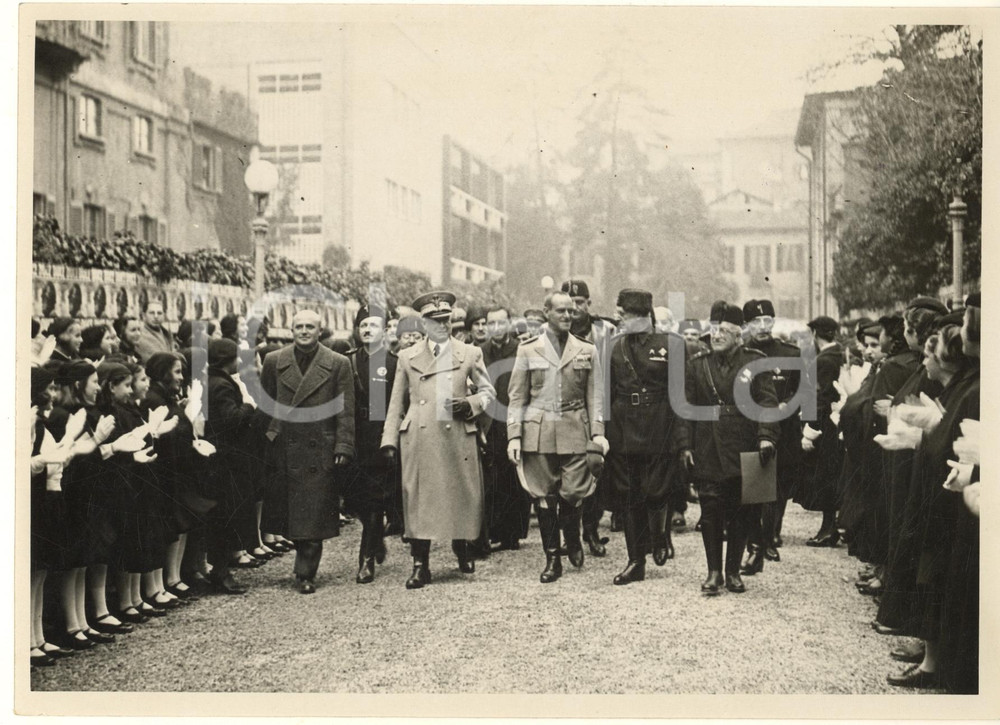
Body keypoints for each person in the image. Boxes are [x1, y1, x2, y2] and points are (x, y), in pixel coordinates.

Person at [380, 291, 496, 589]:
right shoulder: (407, 357)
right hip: (420, 435)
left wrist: (470, 404)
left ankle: (462, 546)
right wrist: (389, 440)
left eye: (445, 319)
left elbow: (489, 393)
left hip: (456, 432)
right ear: (424, 323)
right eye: (434, 320)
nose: (441, 325)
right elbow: (396, 403)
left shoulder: (469, 352)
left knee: (460, 493)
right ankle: (421, 563)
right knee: (419, 499)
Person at [675, 302, 779, 595]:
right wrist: (685, 445)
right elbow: (686, 409)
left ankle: (733, 571)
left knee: (742, 511)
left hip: (745, 444)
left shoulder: (755, 362)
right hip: (708, 444)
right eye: (713, 329)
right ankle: (713, 572)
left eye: (723, 330)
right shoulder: (698, 364)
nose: (716, 335)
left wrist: (766, 436)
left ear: (738, 334)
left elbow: (768, 402)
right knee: (710, 509)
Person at [507, 289, 607, 583]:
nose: (567, 315)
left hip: (576, 427)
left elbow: (595, 396)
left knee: (574, 493)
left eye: (571, 311)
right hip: (538, 430)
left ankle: (573, 538)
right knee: (544, 496)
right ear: (547, 312)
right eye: (561, 311)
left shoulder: (586, 349)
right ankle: (553, 558)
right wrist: (514, 435)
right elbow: (516, 397)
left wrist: (598, 433)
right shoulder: (528, 349)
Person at [260, 309, 355, 594]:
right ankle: (302, 560)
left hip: (320, 446)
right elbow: (265, 404)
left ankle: (305, 573)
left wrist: (343, 445)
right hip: (286, 446)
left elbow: (346, 410)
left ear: (320, 330)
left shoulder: (338, 363)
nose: (304, 331)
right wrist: (269, 437)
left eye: (309, 327)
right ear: (291, 330)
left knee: (313, 514)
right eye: (299, 326)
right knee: (293, 513)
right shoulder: (273, 361)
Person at [605, 289, 685, 585]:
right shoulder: (614, 348)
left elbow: (680, 394)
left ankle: (659, 535)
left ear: (642, 316)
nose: (619, 318)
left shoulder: (671, 345)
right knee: (628, 496)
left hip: (659, 426)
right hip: (624, 429)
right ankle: (635, 560)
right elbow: (607, 393)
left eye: (623, 314)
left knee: (656, 491)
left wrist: (679, 437)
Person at [740, 299, 802, 574]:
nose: (763, 327)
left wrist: (784, 406)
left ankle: (771, 534)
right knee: (755, 483)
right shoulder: (742, 353)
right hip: (752, 427)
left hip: (784, 428)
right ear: (746, 326)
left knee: (779, 485)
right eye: (756, 322)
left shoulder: (790, 353)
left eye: (768, 321)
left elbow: (802, 391)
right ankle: (759, 540)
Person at [560, 279, 616, 556]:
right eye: (568, 303)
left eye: (579, 303)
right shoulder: (556, 329)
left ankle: (591, 530)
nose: (574, 309)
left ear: (589, 303)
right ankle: (569, 532)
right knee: (565, 475)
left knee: (596, 471)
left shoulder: (604, 330)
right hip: (567, 411)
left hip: (600, 407)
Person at [343, 305, 398, 584]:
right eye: (363, 325)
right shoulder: (348, 362)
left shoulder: (394, 362)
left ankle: (365, 561)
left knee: (375, 499)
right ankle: (376, 539)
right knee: (356, 500)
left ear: (385, 330)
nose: (367, 330)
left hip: (382, 438)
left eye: (373, 325)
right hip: (354, 437)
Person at [203, 338, 260, 595]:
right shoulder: (222, 386)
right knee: (228, 515)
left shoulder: (212, 382)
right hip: (228, 459)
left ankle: (221, 568)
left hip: (221, 457)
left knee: (226, 514)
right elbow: (231, 419)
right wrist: (248, 406)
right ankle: (221, 571)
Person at [478, 305, 532, 552]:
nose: (496, 328)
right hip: (489, 423)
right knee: (492, 479)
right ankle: (494, 530)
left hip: (513, 420)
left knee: (514, 478)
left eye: (501, 323)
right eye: (491, 324)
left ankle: (513, 533)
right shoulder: (479, 352)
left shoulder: (521, 350)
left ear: (510, 324)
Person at [793, 315, 843, 546]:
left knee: (826, 475)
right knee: (830, 474)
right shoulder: (837, 355)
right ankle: (829, 527)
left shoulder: (824, 360)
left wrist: (809, 428)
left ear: (814, 334)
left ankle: (828, 528)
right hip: (832, 421)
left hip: (825, 425)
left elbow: (819, 397)